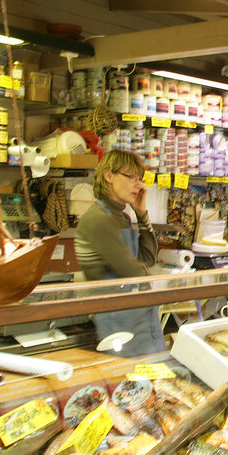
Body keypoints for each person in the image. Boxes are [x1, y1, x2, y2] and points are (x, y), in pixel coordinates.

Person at [75, 149, 166, 356]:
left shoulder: (121, 217)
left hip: (140, 318)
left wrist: (141, 214)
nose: (139, 185)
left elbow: (147, 258)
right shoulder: (98, 219)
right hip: (117, 325)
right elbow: (132, 271)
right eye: (131, 177)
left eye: (139, 179)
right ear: (108, 176)